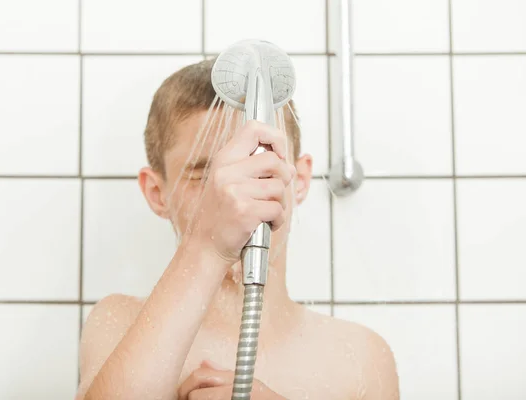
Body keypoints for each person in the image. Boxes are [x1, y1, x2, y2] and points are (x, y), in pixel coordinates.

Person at [76, 59, 399, 400]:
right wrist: (208, 247)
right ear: (158, 194)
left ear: (299, 180)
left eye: (261, 166)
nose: (234, 193)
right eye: (204, 174)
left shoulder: (360, 357)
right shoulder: (120, 324)